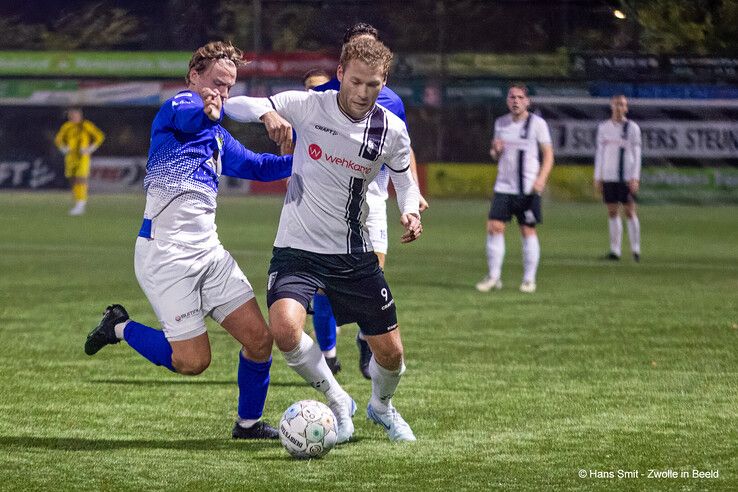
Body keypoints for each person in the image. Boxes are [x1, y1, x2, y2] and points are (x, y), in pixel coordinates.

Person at [83, 41, 293, 440]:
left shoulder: (216, 136)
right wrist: (206, 109)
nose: (223, 94)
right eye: (216, 83)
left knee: (260, 340)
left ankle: (247, 425)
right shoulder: (178, 108)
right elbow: (190, 117)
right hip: (166, 256)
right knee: (193, 362)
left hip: (209, 254)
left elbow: (260, 166)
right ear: (193, 77)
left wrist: (313, 159)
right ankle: (119, 327)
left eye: (229, 88)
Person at [224, 36, 422, 443]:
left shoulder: (391, 129)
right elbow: (234, 105)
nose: (364, 93)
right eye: (356, 82)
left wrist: (410, 209)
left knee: (392, 354)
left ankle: (381, 406)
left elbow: (403, 175)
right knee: (285, 330)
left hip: (353, 251)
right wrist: (266, 113)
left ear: (383, 83)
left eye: (373, 85)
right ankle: (337, 400)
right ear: (340, 76)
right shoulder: (310, 105)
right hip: (296, 248)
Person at [310, 23, 429, 379]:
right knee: (321, 283)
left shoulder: (390, 100)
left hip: (372, 195)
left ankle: (365, 343)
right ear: (344, 62)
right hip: (327, 199)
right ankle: (328, 352)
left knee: (370, 275)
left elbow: (402, 150)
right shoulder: (325, 95)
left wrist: (413, 192)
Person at [476, 84, 554, 294]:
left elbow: (548, 154)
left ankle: (529, 280)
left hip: (527, 187)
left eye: (520, 97)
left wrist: (541, 179)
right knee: (494, 227)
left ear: (527, 101)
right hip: (504, 185)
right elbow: (495, 154)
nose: (516, 101)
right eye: (512, 97)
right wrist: (496, 151)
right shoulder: (501, 123)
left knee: (527, 230)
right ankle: (494, 277)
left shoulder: (537, 124)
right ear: (507, 101)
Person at [594, 94, 642, 262]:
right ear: (611, 106)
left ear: (626, 108)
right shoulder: (604, 127)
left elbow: (637, 154)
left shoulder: (633, 128)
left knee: (629, 211)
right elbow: (600, 153)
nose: (619, 107)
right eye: (616, 104)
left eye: (622, 105)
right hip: (609, 175)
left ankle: (635, 250)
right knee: (612, 211)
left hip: (626, 176)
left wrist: (635, 177)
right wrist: (598, 176)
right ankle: (615, 251)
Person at [54, 107, 105, 216]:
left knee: (81, 179)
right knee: (73, 180)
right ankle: (78, 202)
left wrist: (90, 149)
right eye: (71, 115)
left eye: (75, 115)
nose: (73, 117)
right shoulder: (67, 127)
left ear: (80, 116)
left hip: (83, 158)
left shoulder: (86, 125)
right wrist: (64, 148)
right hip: (71, 157)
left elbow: (100, 136)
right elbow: (58, 140)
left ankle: (81, 204)